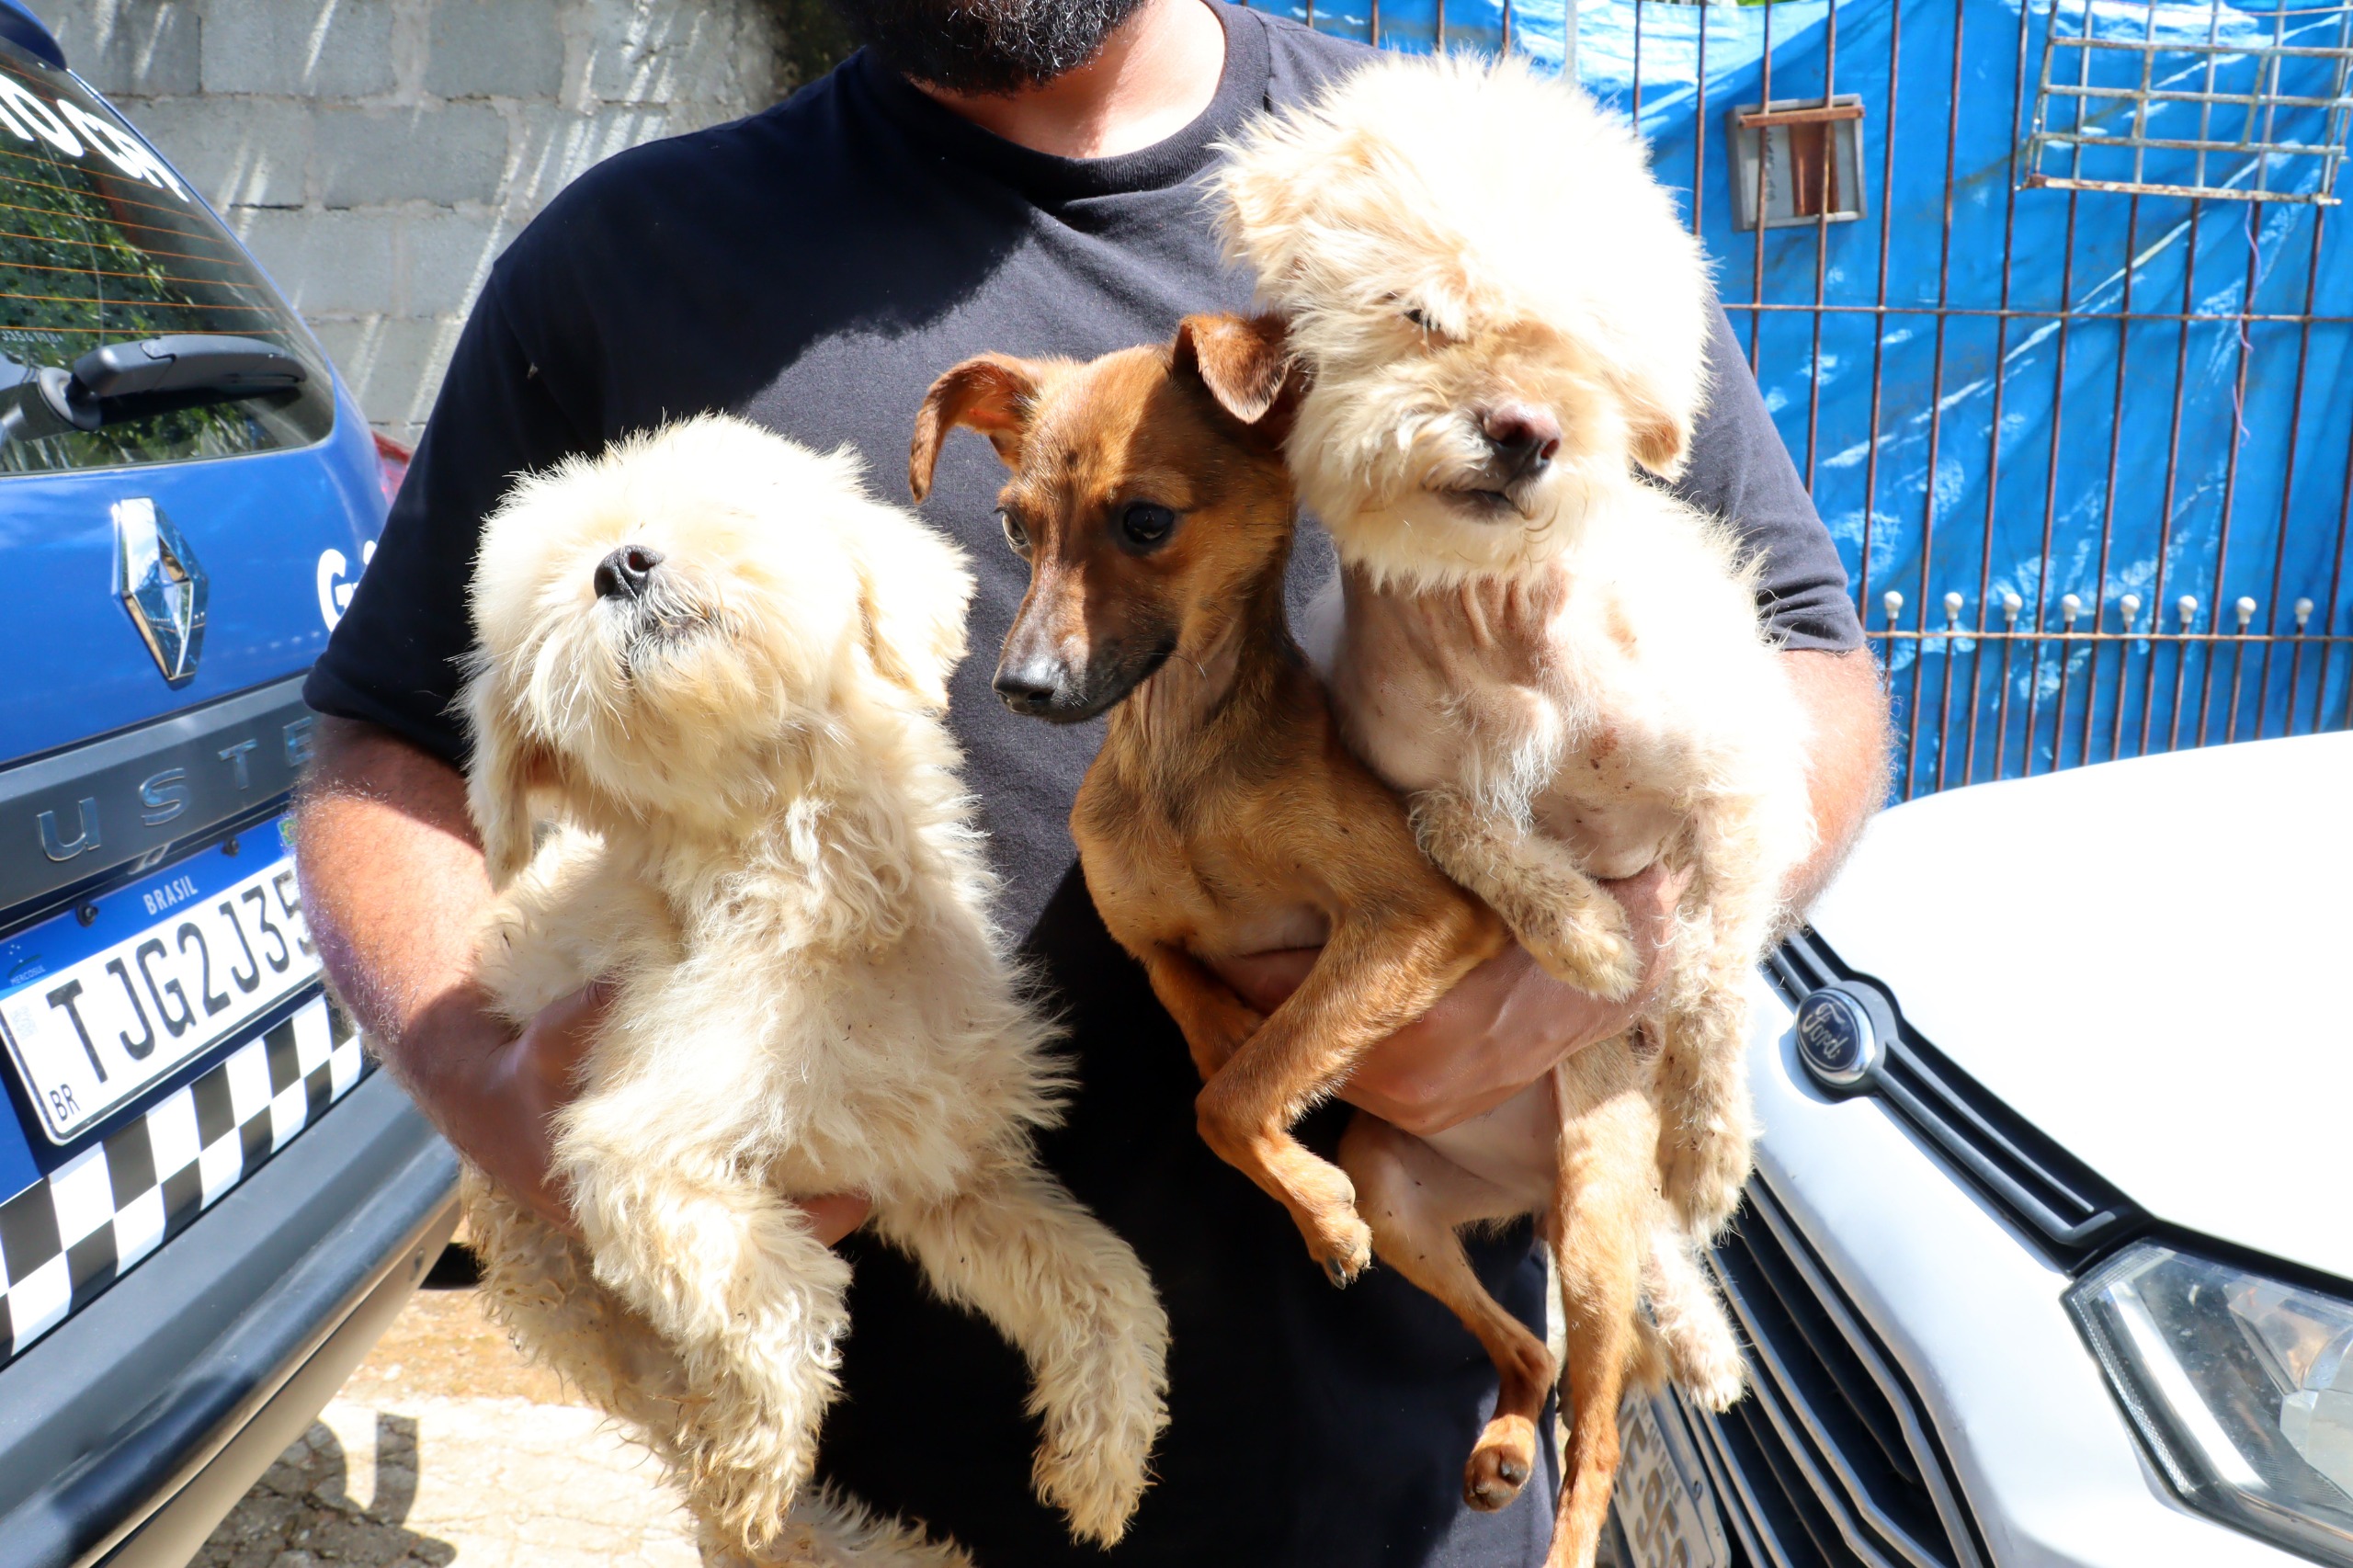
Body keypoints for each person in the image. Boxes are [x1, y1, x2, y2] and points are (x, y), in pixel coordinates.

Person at [293, 1, 1889, 1562]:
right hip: (870, 1518)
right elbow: (388, 746)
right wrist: (482, 1074)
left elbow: (1813, 657)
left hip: (1396, 1497)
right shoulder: (626, 264)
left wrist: (1615, 959)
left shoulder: (1437, 188)